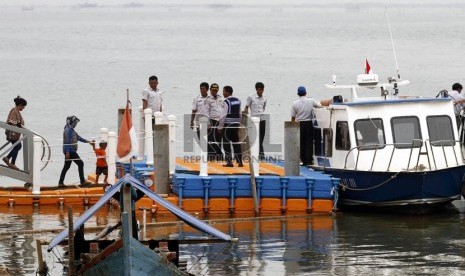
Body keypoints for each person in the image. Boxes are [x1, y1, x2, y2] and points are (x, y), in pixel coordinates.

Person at [58, 116, 93, 187]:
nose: (75, 124)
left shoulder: (71, 130)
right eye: (75, 123)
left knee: (66, 166)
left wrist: (88, 141)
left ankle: (60, 182)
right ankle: (82, 181)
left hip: (70, 151)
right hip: (70, 151)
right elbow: (67, 141)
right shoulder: (68, 131)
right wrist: (67, 152)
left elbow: (79, 138)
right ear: (71, 122)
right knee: (80, 163)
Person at [291, 86, 321, 166]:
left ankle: (303, 160)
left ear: (298, 94)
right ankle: (309, 160)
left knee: (301, 143)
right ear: (306, 93)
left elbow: (293, 117)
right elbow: (319, 105)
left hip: (299, 124)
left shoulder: (294, 103)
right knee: (309, 142)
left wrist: (293, 128)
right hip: (308, 123)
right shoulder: (311, 101)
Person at [218, 86, 243, 167]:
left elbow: (223, 116)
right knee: (236, 143)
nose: (223, 93)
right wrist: (238, 124)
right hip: (235, 124)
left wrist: (220, 127)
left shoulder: (226, 102)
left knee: (226, 143)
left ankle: (229, 162)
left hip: (228, 125)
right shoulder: (238, 101)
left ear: (228, 92)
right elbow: (240, 114)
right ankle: (239, 161)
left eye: (224, 91)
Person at [3, 96, 27, 170]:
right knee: (17, 146)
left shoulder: (16, 111)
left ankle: (7, 158)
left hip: (14, 133)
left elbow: (18, 124)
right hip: (12, 133)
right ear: (20, 105)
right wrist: (21, 127)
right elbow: (13, 123)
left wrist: (22, 128)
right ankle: (12, 163)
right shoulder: (14, 112)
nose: (23, 108)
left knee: (17, 146)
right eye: (23, 106)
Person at [244, 82, 267, 160]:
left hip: (262, 119)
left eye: (262, 90)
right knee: (254, 138)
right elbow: (246, 107)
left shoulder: (264, 98)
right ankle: (253, 154)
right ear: (256, 89)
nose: (261, 91)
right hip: (254, 120)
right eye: (260, 90)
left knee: (261, 138)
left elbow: (263, 108)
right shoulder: (251, 97)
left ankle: (261, 154)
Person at [207, 83, 224, 160]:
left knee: (219, 138)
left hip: (220, 120)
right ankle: (212, 155)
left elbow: (223, 108)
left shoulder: (220, 98)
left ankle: (219, 155)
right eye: (213, 90)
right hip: (212, 120)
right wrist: (208, 123)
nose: (214, 91)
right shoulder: (207, 99)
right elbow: (206, 112)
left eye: (216, 90)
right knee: (211, 139)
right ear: (210, 90)